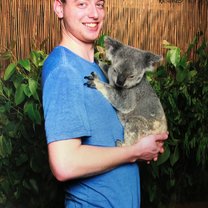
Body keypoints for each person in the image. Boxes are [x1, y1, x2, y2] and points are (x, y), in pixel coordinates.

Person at [42, 0, 168, 207]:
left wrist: (145, 141)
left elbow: (109, 133)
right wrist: (134, 152)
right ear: (59, 8)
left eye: (99, 4)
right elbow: (64, 165)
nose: (94, 14)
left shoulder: (99, 70)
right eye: (82, 4)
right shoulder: (64, 71)